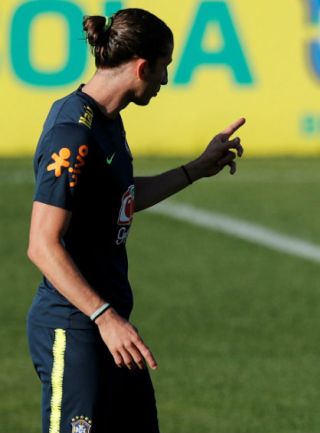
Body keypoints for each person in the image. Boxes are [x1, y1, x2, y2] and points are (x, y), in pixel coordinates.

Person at [26, 8, 245, 433]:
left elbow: (118, 199)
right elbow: (42, 243)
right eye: (164, 68)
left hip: (111, 326)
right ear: (143, 66)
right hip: (76, 327)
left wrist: (195, 169)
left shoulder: (108, 121)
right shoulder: (74, 132)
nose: (164, 81)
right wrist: (105, 317)